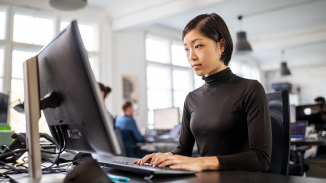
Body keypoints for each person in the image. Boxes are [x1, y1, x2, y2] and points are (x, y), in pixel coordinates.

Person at [134, 13, 272, 172]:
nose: (191, 56)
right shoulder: (191, 98)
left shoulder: (250, 89)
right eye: (186, 49)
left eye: (198, 46)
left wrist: (202, 162)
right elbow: (183, 151)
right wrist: (164, 157)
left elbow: (260, 158)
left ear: (221, 46)